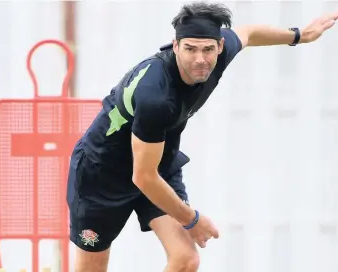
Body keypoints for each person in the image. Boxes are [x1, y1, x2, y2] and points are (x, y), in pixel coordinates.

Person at [67, 2, 337, 271]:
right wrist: (193, 220)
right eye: (190, 49)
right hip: (102, 174)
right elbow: (143, 176)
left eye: (208, 49)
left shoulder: (219, 52)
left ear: (220, 46)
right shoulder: (156, 96)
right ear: (175, 46)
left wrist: (300, 35)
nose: (200, 59)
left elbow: (249, 33)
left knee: (186, 260)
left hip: (157, 165)